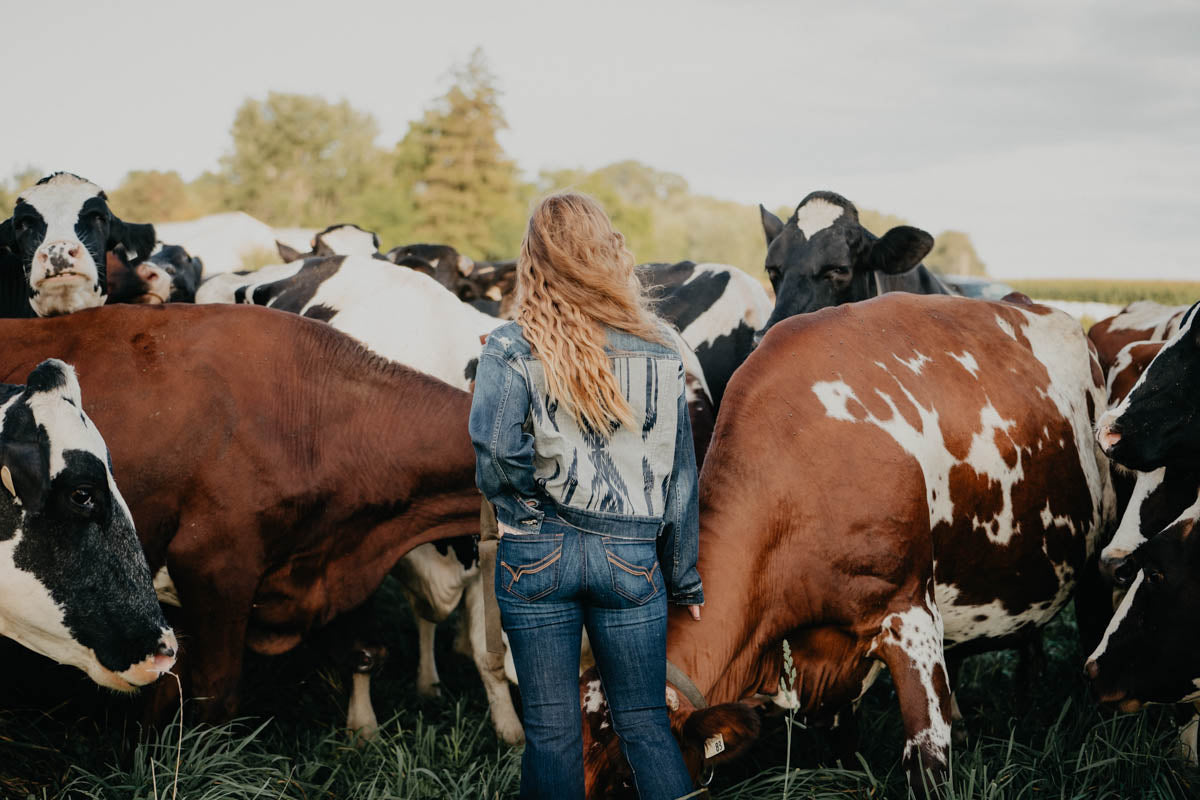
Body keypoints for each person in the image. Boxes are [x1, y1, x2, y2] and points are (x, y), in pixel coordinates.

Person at [469, 192, 704, 799]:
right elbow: (679, 479)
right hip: (631, 560)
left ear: (532, 260)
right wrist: (684, 578)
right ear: (608, 253)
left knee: (551, 734)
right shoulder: (661, 349)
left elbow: (495, 452)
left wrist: (524, 511)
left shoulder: (511, 346)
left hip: (536, 555)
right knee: (646, 722)